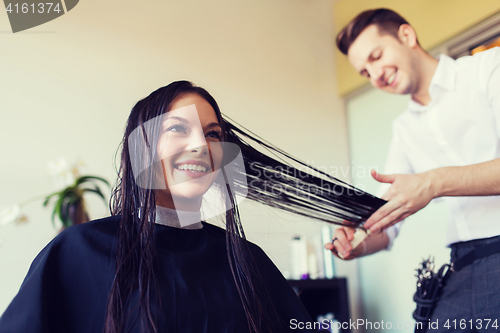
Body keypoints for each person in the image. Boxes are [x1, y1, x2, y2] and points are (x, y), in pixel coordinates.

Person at [0, 81, 382, 332]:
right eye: (178, 128)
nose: (201, 144)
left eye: (213, 134)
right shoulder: (78, 252)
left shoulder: (248, 261)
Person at [325, 8, 500, 330]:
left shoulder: (488, 67)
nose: (375, 74)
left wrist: (434, 182)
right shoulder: (404, 129)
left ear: (407, 36)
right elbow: (388, 221)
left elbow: (427, 185)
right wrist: (357, 242)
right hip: (463, 266)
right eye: (365, 72)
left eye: (376, 56)